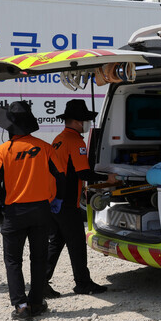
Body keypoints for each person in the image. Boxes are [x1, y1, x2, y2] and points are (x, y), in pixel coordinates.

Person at [0, 101, 66, 321]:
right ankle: (37, 302)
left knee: (13, 260)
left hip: (15, 212)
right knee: (39, 258)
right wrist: (57, 199)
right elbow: (60, 177)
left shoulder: (3, 150)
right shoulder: (45, 148)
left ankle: (21, 306)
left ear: (9, 127)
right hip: (41, 210)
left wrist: (4, 201)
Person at [44, 99, 115, 298]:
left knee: (56, 242)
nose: (87, 124)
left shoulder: (59, 138)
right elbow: (83, 172)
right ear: (76, 121)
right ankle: (82, 283)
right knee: (76, 243)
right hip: (67, 202)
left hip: (54, 199)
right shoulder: (75, 141)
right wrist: (107, 178)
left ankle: (41, 282)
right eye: (85, 120)